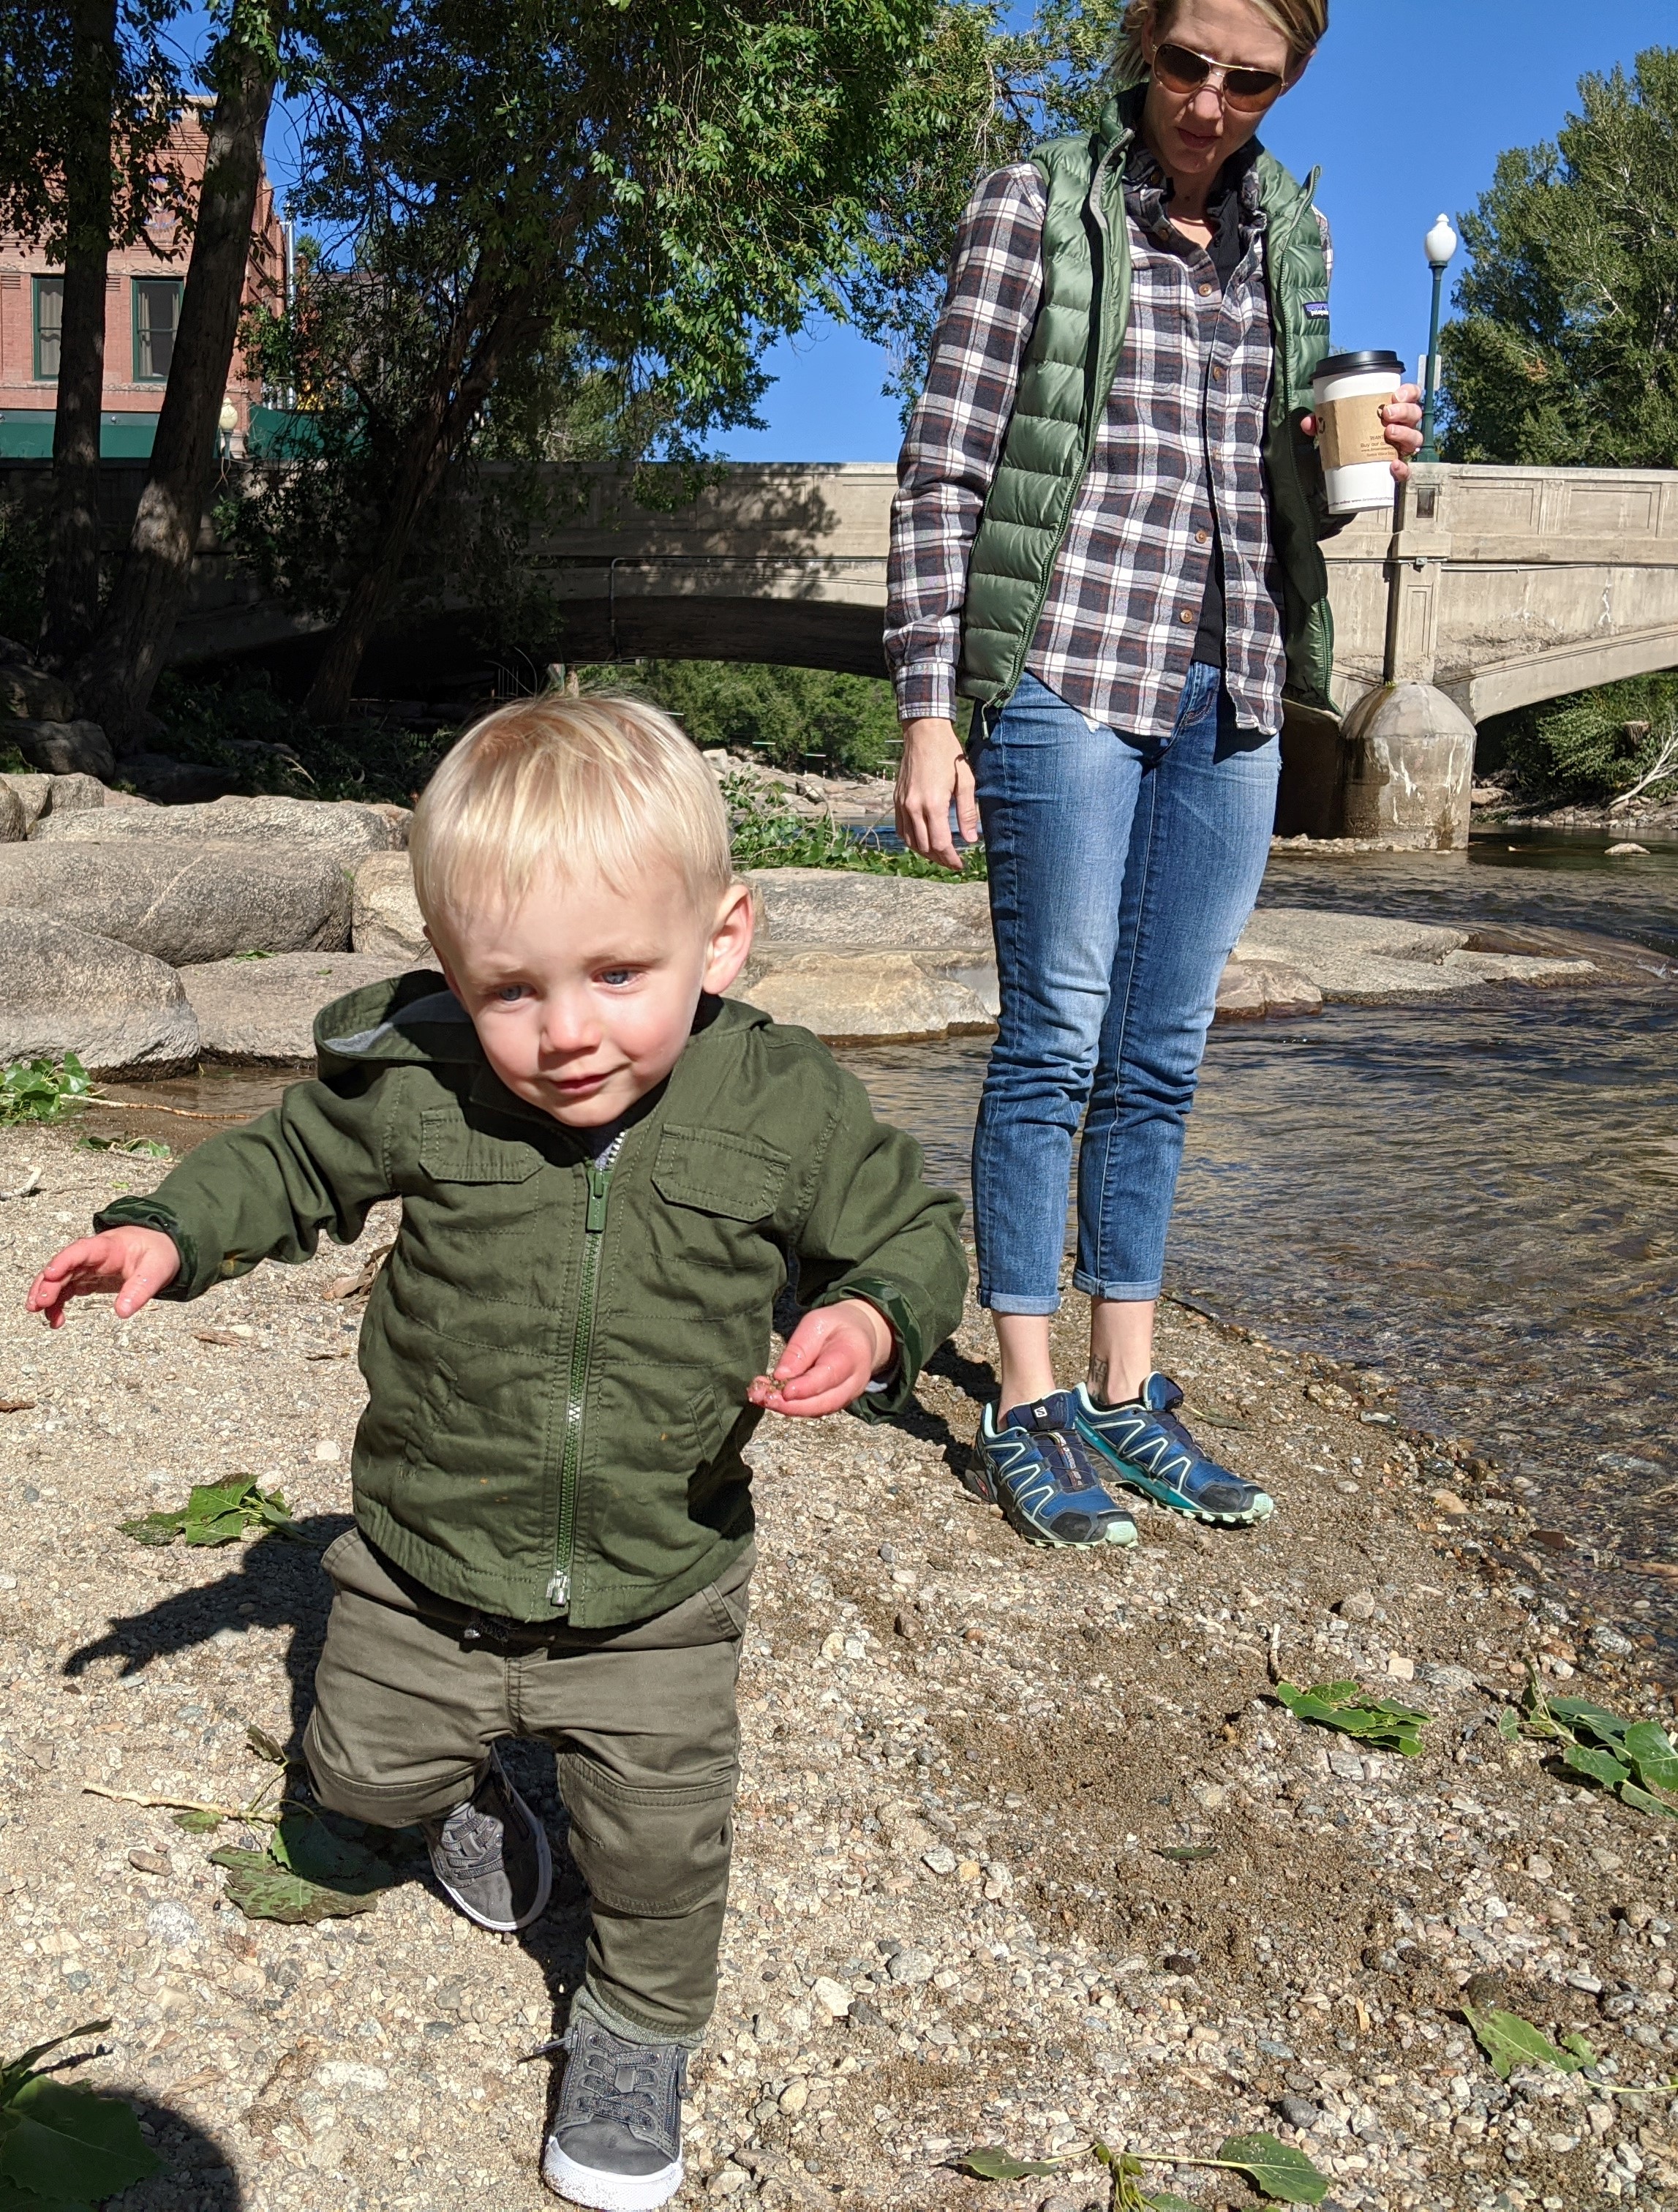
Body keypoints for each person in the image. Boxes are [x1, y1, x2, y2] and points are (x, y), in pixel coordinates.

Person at [28, 696, 966, 2212]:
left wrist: (868, 1319)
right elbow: (288, 1159)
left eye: (616, 975)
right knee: (349, 1802)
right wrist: (165, 1229)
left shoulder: (782, 1103)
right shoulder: (432, 1076)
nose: (566, 1032)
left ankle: (636, 2029)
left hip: (660, 1576)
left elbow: (913, 1233)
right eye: (511, 989)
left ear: (721, 941)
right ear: (457, 978)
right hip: (422, 1555)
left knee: (659, 1849)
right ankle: (460, 1790)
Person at [885, 0, 1421, 1551]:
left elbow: (1274, 506)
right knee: (1052, 1034)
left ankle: (1130, 1388)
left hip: (1232, 682)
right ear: (1143, 44)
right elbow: (947, 471)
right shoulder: (1033, 204)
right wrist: (932, 711)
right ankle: (1025, 1397)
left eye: (1246, 79)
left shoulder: (1289, 240)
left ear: (1291, 80)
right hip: (1064, 665)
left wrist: (1356, 454)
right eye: (1184, 63)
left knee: (1162, 1052)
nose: (1206, 100)